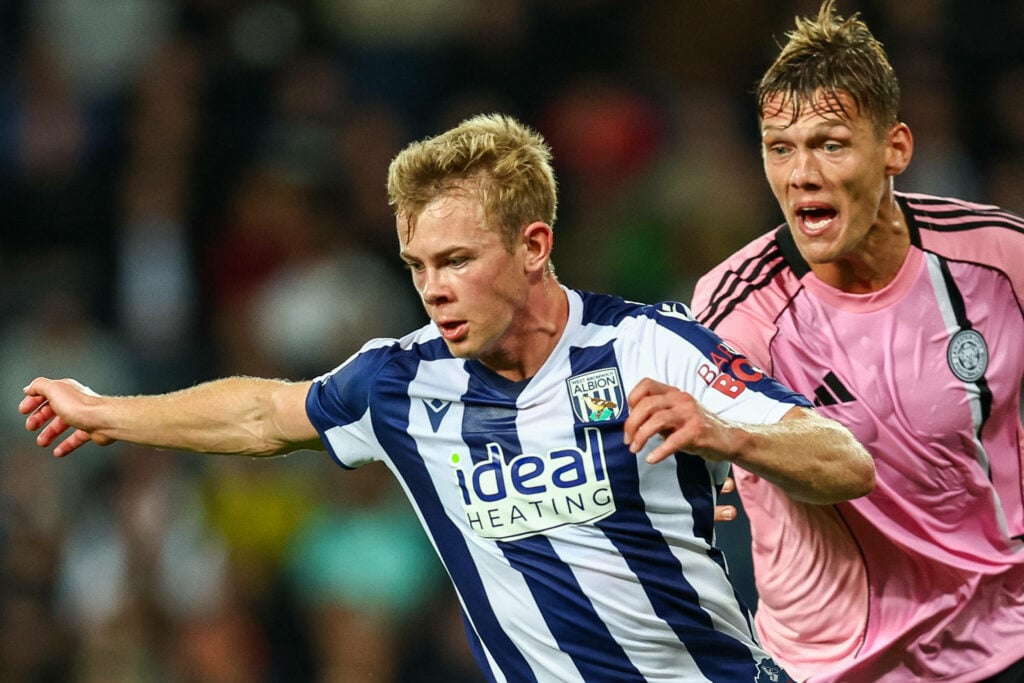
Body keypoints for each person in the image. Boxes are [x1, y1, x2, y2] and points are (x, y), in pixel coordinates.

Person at [21, 113, 875, 682]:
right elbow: (261, 414)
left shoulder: (651, 346)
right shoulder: (400, 380)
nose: (434, 288)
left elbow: (844, 460)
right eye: (418, 265)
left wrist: (728, 433)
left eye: (458, 260)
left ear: (534, 245)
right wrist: (106, 411)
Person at [691, 2, 1024, 681]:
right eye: (780, 148)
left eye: (831, 144)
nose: (801, 174)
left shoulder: (998, 259)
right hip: (836, 667)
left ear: (895, 148)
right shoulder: (736, 309)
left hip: (1003, 643)